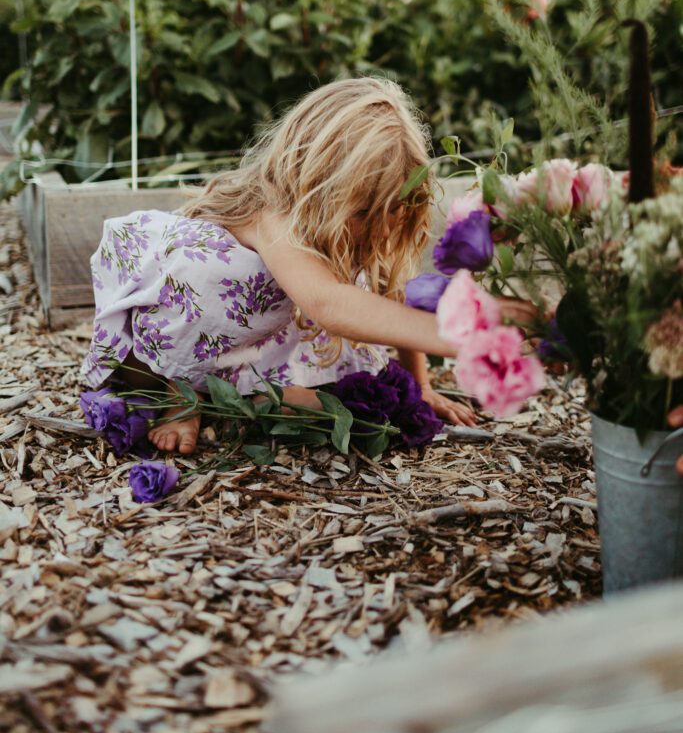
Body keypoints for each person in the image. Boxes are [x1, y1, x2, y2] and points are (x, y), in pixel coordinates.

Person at [81, 77, 534, 454]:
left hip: (261, 328)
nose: (378, 225)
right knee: (207, 281)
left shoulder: (365, 218)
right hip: (189, 311)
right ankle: (175, 388)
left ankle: (237, 389)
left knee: (340, 410)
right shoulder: (273, 212)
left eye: (393, 209)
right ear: (312, 181)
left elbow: (392, 287)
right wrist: (464, 336)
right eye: (361, 213)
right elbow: (326, 301)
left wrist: (422, 387)